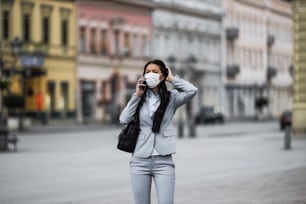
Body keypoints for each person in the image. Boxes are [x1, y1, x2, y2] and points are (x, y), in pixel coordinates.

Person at [119, 59, 198, 204]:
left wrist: (172, 79)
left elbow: (192, 91)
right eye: (147, 72)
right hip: (140, 161)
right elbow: (124, 119)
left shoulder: (172, 97)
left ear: (162, 76)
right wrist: (137, 95)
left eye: (154, 72)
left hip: (164, 162)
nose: (150, 75)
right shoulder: (139, 97)